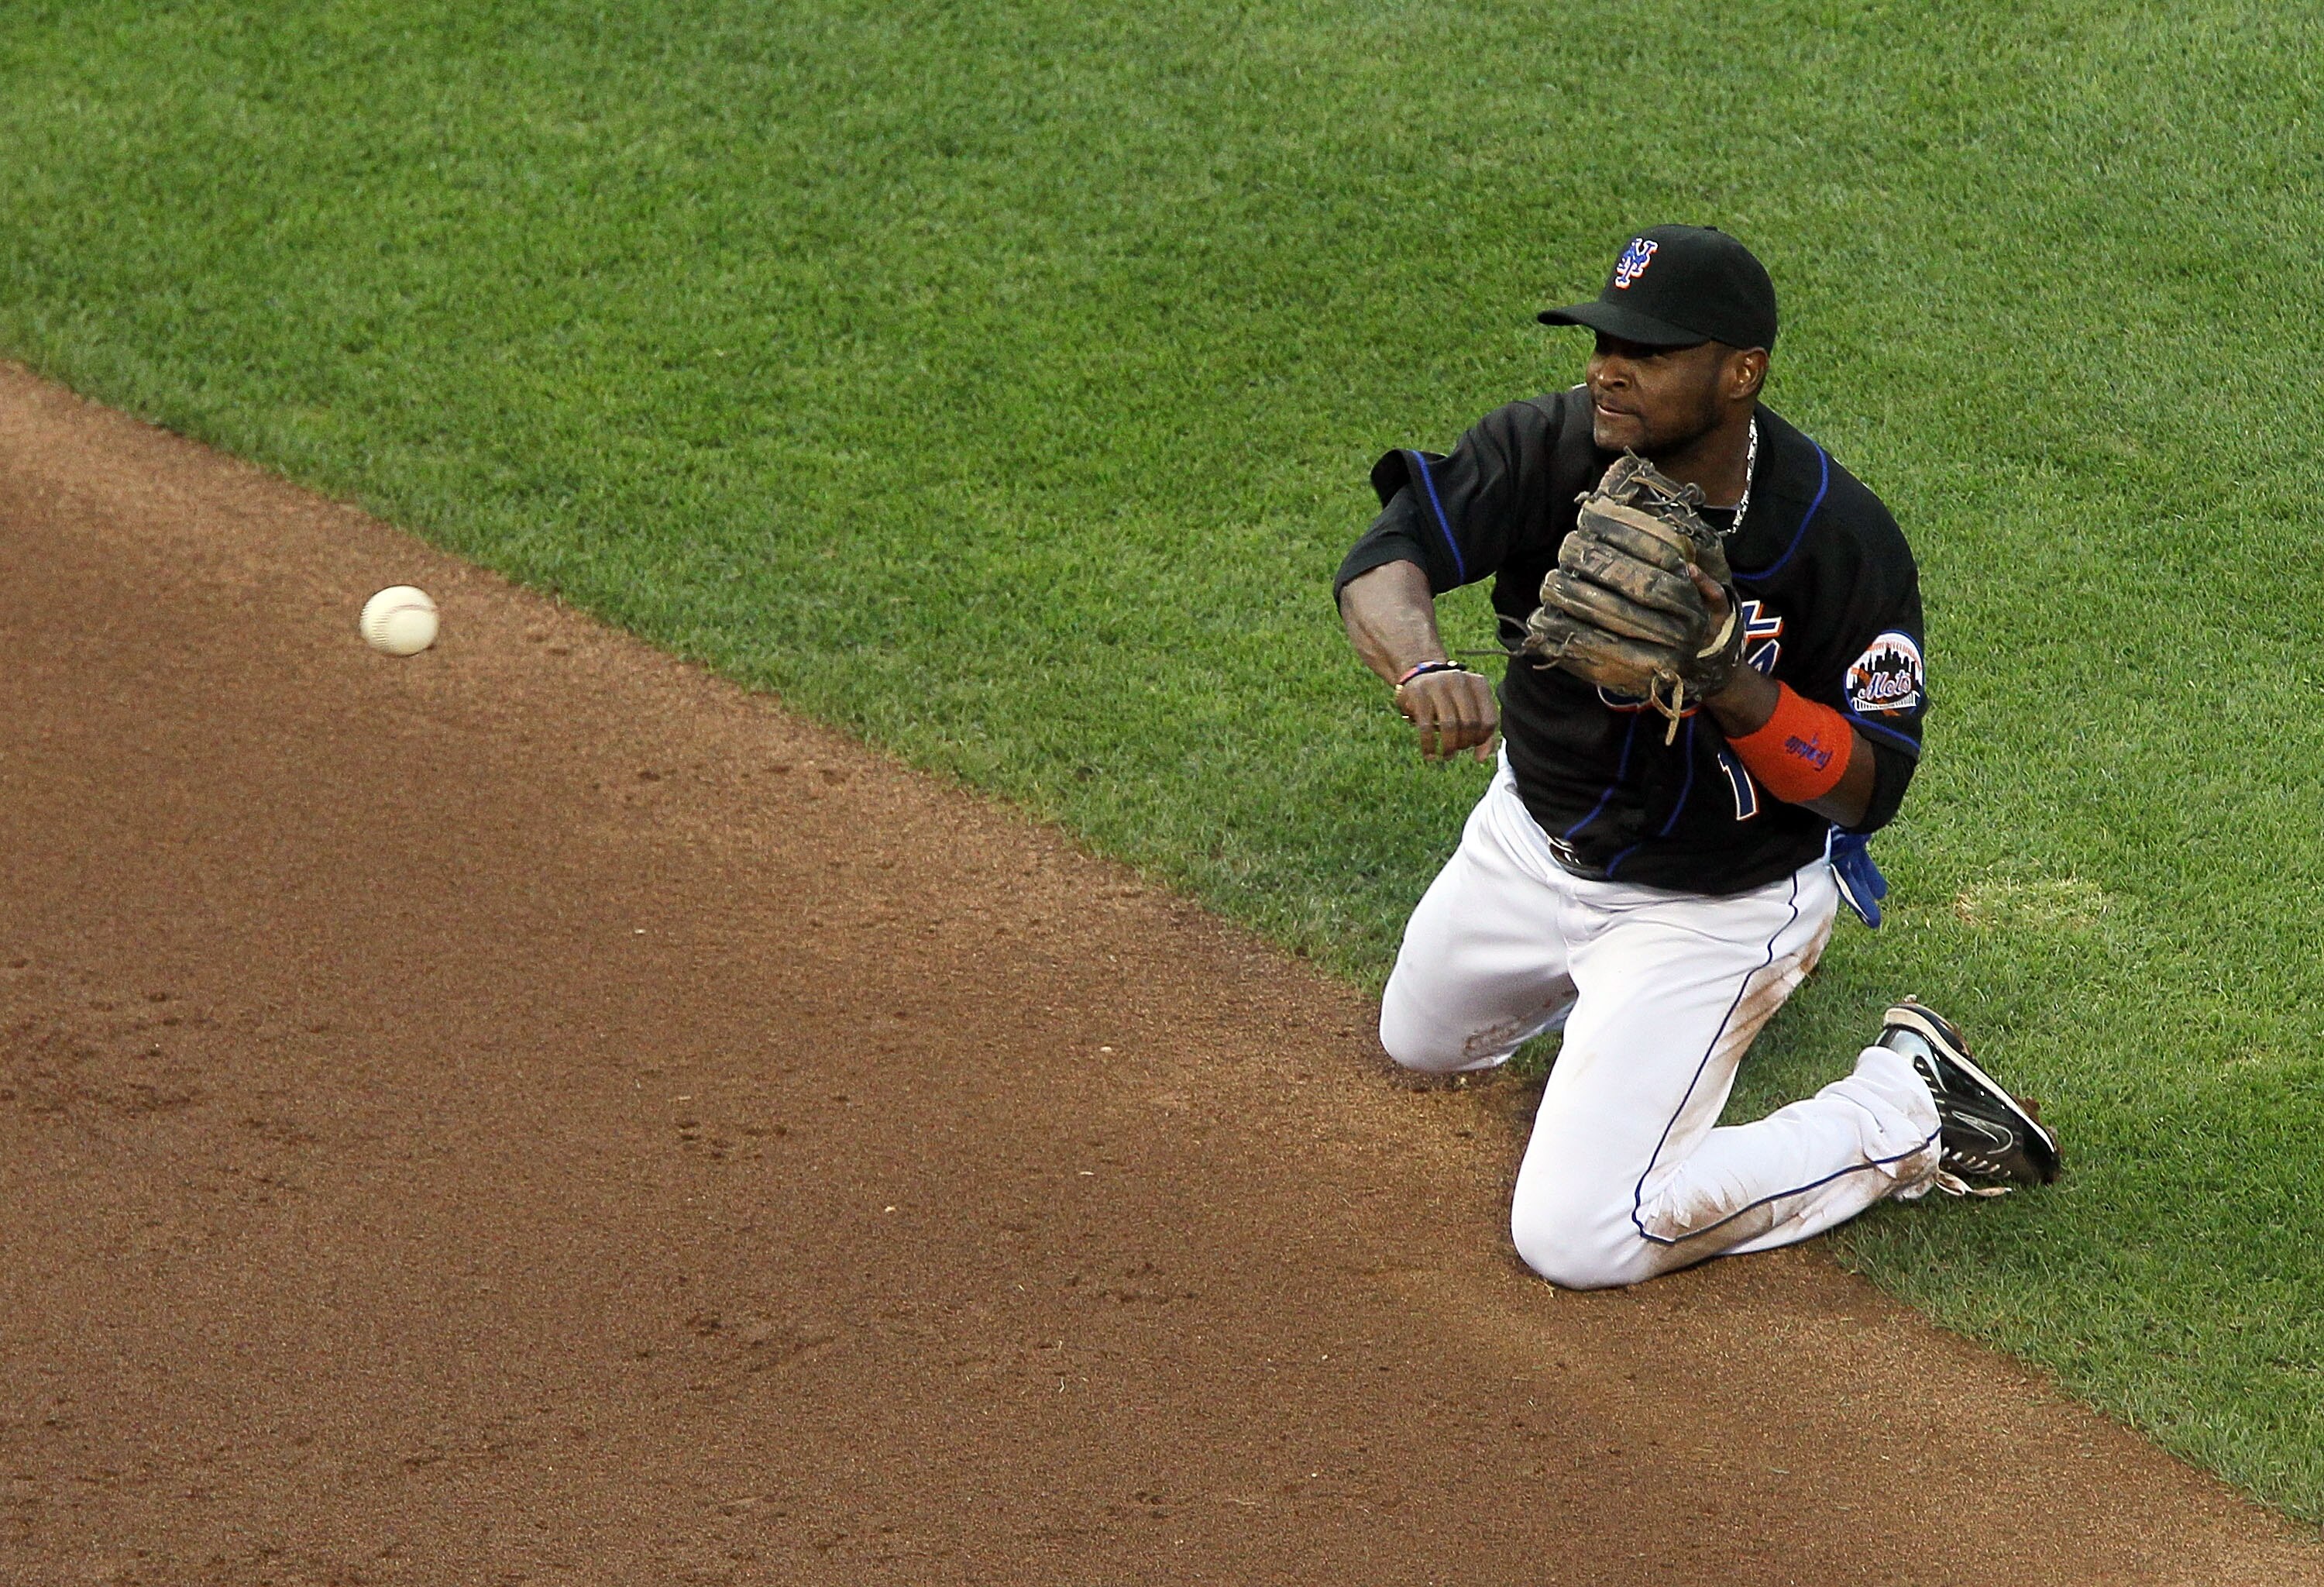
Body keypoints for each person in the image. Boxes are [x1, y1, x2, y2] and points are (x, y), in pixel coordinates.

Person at [1334, 225, 2058, 1290]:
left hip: (1714, 902)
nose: (1606, 369)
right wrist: (1418, 664)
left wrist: (1728, 676)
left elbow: (1867, 787)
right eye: (1601, 342)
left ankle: (1907, 1110)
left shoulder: (1834, 536)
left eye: (1647, 352)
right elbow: (1385, 558)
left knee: (1580, 1238)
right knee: (1423, 1045)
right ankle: (1631, 1028)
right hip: (1531, 845)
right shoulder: (1552, 447)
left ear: (1741, 373)